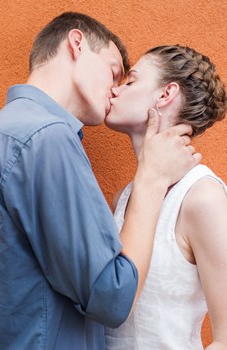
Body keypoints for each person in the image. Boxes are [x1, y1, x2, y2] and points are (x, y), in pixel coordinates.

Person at [0, 13, 200, 349]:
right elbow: (113, 295)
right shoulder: (47, 138)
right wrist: (152, 180)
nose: (115, 89)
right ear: (77, 44)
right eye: (114, 72)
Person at [105, 45, 227, 350]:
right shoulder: (123, 198)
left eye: (130, 81)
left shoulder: (202, 197)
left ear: (165, 95)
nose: (116, 91)